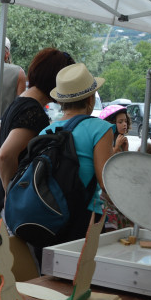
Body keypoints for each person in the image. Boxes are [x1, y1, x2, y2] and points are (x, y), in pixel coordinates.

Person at [0, 48, 74, 213]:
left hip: (7, 204)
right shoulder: (33, 111)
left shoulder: (19, 102)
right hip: (17, 206)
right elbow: (5, 155)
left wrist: (2, 181)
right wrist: (12, 192)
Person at [43, 63, 113, 244]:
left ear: (60, 101)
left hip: (50, 216)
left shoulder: (46, 131)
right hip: (86, 217)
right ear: (90, 99)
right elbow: (106, 182)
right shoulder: (100, 128)